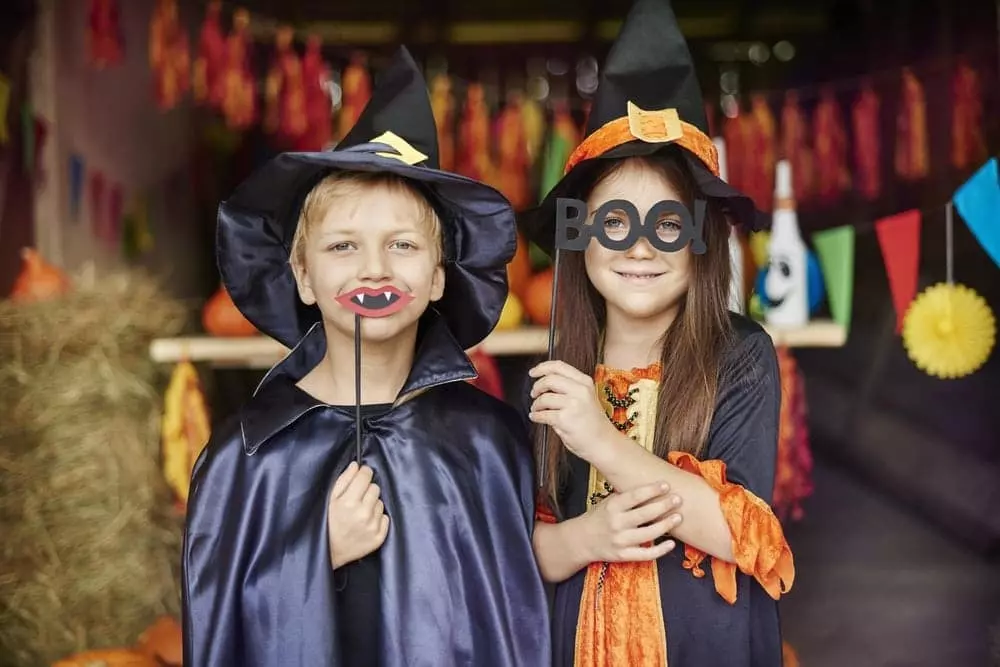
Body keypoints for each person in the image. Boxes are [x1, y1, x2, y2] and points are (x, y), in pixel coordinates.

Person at [182, 46, 550, 667]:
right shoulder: (246, 453)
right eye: (343, 246)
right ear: (302, 275)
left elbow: (517, 620)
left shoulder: (488, 441)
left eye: (402, 245)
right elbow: (213, 626)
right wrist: (313, 551)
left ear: (438, 277)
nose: (374, 268)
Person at [519, 1, 795, 665]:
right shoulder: (560, 363)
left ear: (702, 241)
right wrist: (588, 536)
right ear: (578, 237)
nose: (639, 248)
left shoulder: (741, 356)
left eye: (668, 226)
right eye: (614, 223)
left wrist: (601, 440)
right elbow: (528, 549)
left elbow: (743, 535)